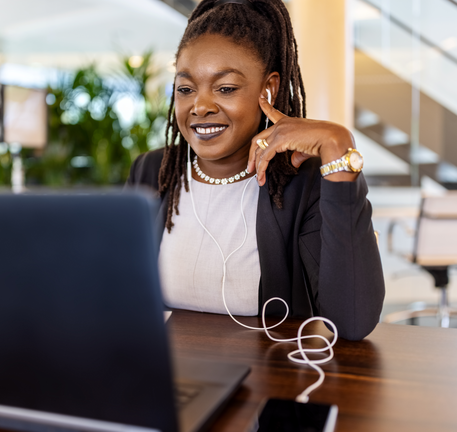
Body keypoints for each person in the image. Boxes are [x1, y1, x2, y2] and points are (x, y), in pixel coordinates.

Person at [126, 0, 385, 341]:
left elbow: (351, 321)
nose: (200, 106)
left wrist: (338, 149)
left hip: (269, 382)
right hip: (163, 382)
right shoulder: (153, 172)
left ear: (269, 89)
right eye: (186, 89)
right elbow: (119, 297)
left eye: (226, 88)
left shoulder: (302, 182)